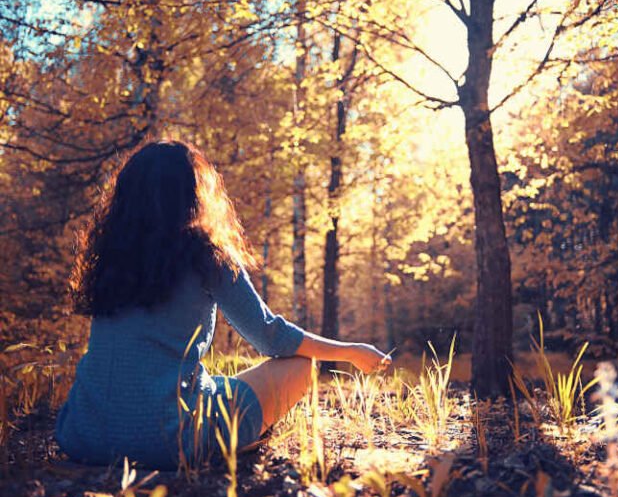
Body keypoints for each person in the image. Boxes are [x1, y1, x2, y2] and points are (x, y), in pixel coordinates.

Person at [55, 140, 390, 469]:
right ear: (194, 195)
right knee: (300, 366)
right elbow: (271, 337)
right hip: (170, 443)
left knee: (205, 383)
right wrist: (351, 351)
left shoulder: (109, 258)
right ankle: (233, 443)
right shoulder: (206, 256)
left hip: (82, 434)